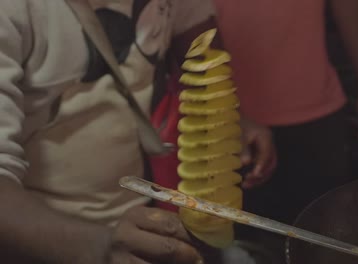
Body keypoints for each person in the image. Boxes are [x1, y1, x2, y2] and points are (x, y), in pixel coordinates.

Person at [0, 0, 275, 263]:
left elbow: (193, 27)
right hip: (51, 241)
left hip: (144, 207)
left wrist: (225, 114)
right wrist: (100, 248)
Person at [213, 0, 358, 224]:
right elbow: (181, 26)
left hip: (316, 111)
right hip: (230, 122)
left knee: (323, 237)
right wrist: (226, 111)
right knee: (240, 246)